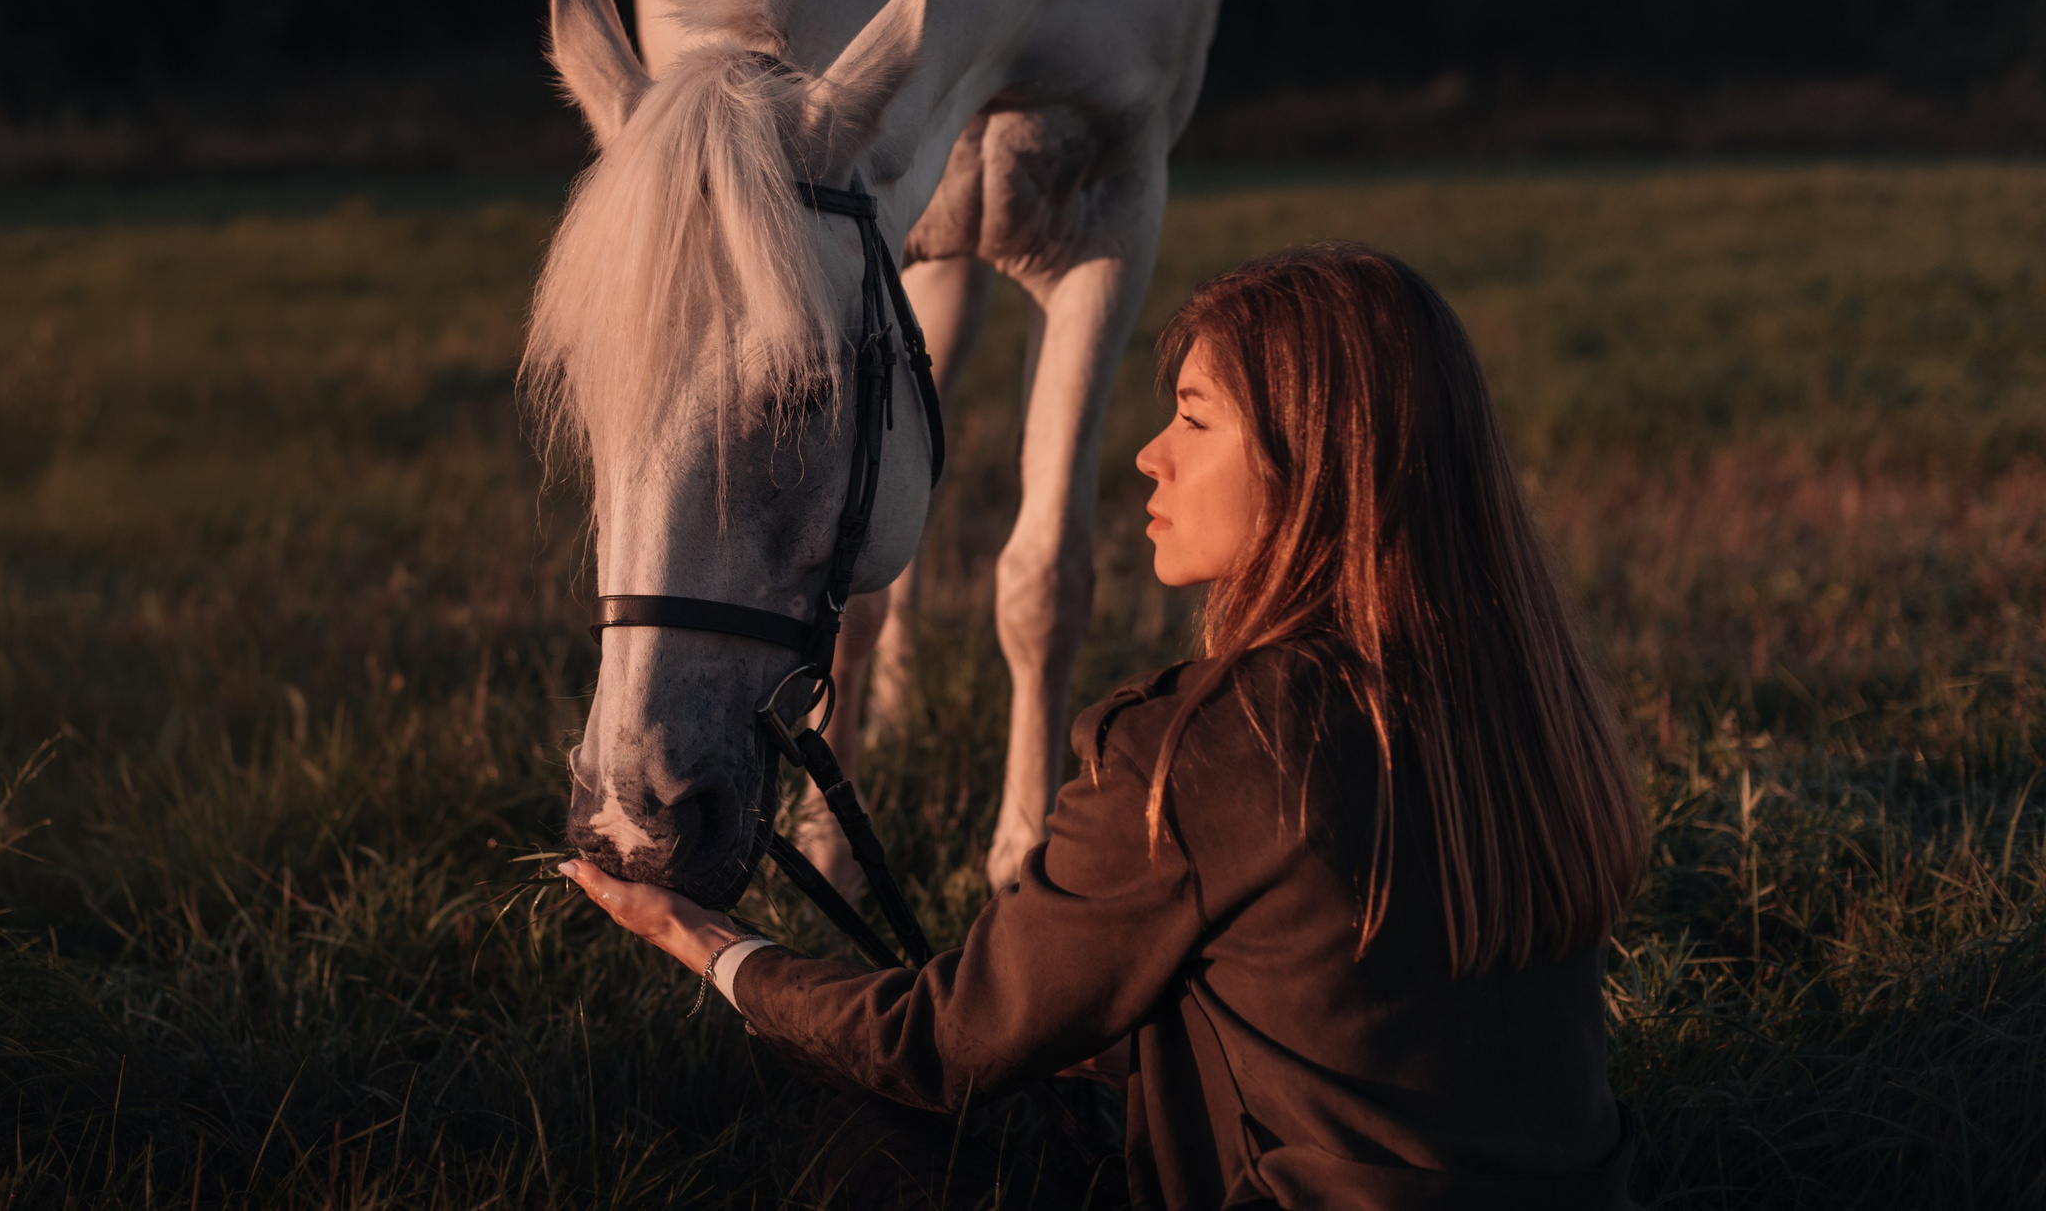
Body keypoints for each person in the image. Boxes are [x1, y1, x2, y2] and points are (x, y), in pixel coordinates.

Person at [562, 243, 1648, 1210]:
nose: (1149, 454)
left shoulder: (1211, 747)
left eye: (1192, 415)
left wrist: (713, 948)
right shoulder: (1526, 703)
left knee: (880, 1121)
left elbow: (942, 1045)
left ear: (1309, 459)